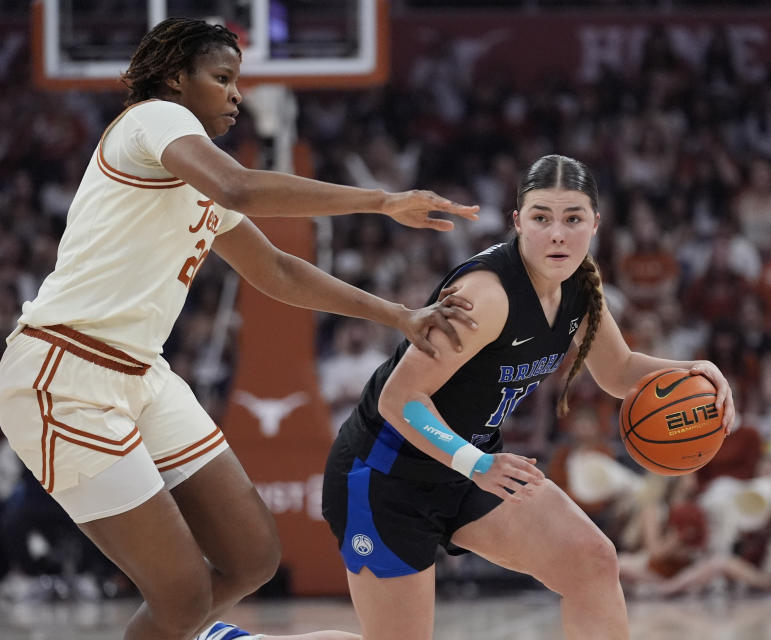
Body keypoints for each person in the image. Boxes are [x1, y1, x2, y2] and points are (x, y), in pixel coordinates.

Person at [0, 18, 483, 640]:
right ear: (176, 78)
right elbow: (241, 186)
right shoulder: (156, 118)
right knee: (181, 596)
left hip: (142, 374)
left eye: (238, 81)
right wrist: (382, 200)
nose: (236, 94)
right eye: (222, 78)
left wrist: (398, 315)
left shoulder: (197, 176)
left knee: (252, 557)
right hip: (63, 372)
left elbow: (278, 270)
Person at [321, 154, 737, 640]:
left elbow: (619, 371)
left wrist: (693, 370)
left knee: (593, 563)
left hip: (472, 468)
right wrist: (475, 463)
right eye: (542, 218)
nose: (558, 234)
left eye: (573, 218)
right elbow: (400, 399)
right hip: (386, 476)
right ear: (518, 221)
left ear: (596, 224)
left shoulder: (581, 285)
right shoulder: (486, 296)